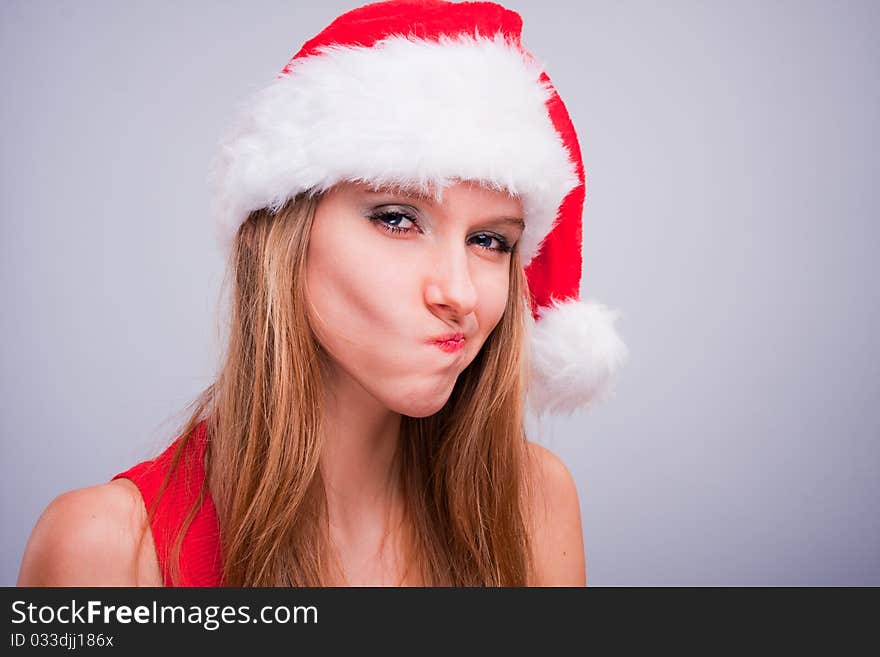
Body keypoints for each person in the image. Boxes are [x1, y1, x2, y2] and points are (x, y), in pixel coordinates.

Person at [16, 0, 628, 587]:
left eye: (491, 240)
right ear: (279, 237)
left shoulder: (531, 502)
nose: (459, 292)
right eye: (396, 219)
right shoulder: (107, 548)